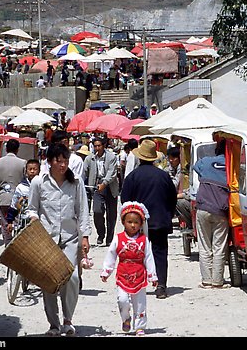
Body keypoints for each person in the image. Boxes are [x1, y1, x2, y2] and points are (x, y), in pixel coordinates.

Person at [26, 143, 91, 336]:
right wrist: (34, 218)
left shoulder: (76, 182)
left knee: (72, 278)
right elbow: (32, 208)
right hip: (47, 240)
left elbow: (83, 211)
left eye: (65, 161)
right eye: (58, 161)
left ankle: (68, 319)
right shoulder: (39, 182)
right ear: (49, 161)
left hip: (70, 239)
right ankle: (53, 324)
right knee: (49, 281)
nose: (62, 165)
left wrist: (85, 236)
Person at [121, 139, 177, 299]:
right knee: (160, 253)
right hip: (160, 221)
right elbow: (172, 198)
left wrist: (129, 220)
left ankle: (137, 284)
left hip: (137, 223)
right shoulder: (164, 176)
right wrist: (169, 213)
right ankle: (161, 285)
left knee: (137, 253)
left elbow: (125, 200)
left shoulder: (132, 176)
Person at [100, 201, 158, 336]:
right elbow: (111, 254)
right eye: (129, 222)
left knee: (140, 303)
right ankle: (126, 318)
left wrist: (152, 276)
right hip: (123, 276)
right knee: (122, 299)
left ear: (141, 224)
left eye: (136, 222)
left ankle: (139, 326)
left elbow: (149, 258)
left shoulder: (144, 240)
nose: (133, 225)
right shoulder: (118, 238)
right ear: (123, 222)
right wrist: (106, 271)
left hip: (139, 275)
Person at [192, 138, 231, 289]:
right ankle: (217, 281)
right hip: (221, 211)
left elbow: (196, 167)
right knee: (219, 247)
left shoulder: (206, 161)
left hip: (203, 209)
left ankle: (206, 281)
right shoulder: (231, 166)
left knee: (204, 245)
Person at [83, 136, 120, 247]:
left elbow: (111, 173)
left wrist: (104, 183)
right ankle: (101, 233)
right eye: (95, 146)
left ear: (103, 146)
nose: (97, 148)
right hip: (96, 186)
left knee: (111, 214)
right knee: (97, 211)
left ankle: (109, 238)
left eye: (99, 146)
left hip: (110, 186)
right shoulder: (90, 158)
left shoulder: (111, 157)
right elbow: (84, 171)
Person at [0, 138, 27, 245]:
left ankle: (7, 244)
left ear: (6, 149)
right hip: (19, 199)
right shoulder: (23, 163)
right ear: (17, 149)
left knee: (5, 223)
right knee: (18, 223)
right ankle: (18, 245)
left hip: (3, 198)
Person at [4, 159, 41, 237]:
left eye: (35, 169)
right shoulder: (21, 187)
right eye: (30, 169)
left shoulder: (43, 185)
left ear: (39, 170)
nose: (32, 171)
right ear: (26, 171)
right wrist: (10, 222)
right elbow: (14, 205)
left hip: (39, 221)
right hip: (24, 221)